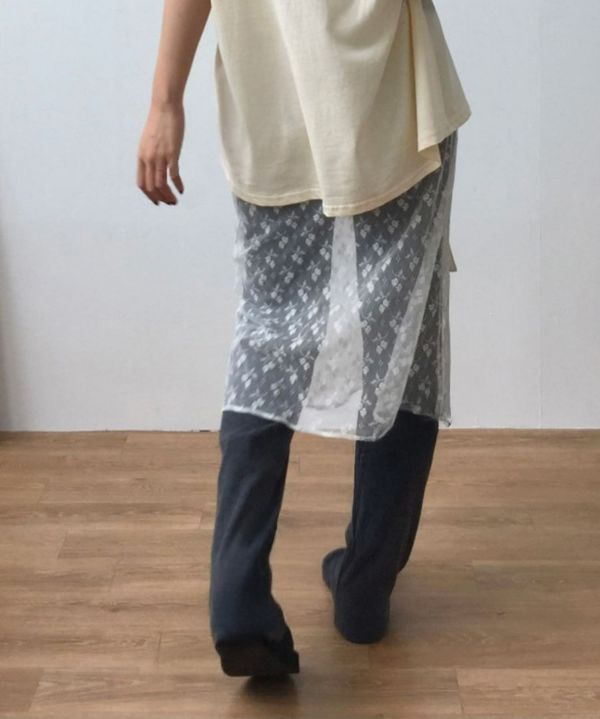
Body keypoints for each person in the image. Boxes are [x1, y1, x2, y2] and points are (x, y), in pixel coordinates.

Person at [137, 0, 472, 678]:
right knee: (401, 343)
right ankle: (364, 589)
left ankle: (239, 599)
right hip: (393, 110)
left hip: (275, 121)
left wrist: (164, 103)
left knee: (268, 341)